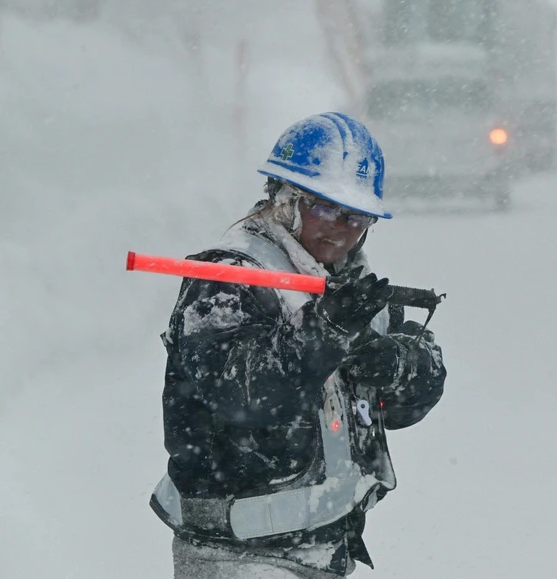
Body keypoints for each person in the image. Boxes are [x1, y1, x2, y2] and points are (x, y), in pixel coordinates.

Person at [150, 112, 446, 578]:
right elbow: (244, 397)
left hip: (321, 552)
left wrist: (399, 365)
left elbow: (411, 398)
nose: (341, 227)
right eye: (324, 208)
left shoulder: (350, 287)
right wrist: (322, 333)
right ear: (286, 201)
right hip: (233, 555)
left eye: (356, 215)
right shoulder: (226, 282)